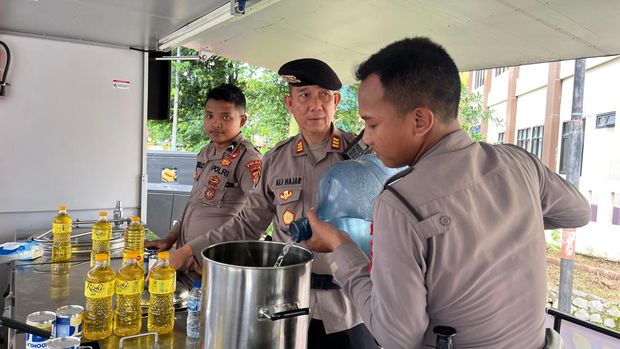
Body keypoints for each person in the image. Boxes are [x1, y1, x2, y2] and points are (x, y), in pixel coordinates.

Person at [304, 38, 591, 348]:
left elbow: (397, 336)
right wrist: (496, 220)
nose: (368, 139)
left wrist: (340, 246)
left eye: (372, 124)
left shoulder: (400, 205)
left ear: (420, 120)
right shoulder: (519, 163)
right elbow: (577, 211)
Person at [169, 58, 379, 348]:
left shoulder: (366, 157)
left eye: (323, 96)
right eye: (304, 95)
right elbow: (247, 224)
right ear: (289, 104)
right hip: (285, 307)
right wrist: (189, 250)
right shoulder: (276, 161)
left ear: (337, 101)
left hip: (349, 307)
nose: (315, 105)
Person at [145, 83, 263, 272]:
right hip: (188, 261)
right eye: (209, 116)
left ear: (242, 121)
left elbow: (256, 218)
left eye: (225, 117)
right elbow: (194, 202)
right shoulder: (205, 153)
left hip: (218, 266)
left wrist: (198, 252)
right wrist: (170, 237)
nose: (215, 123)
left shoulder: (248, 158)